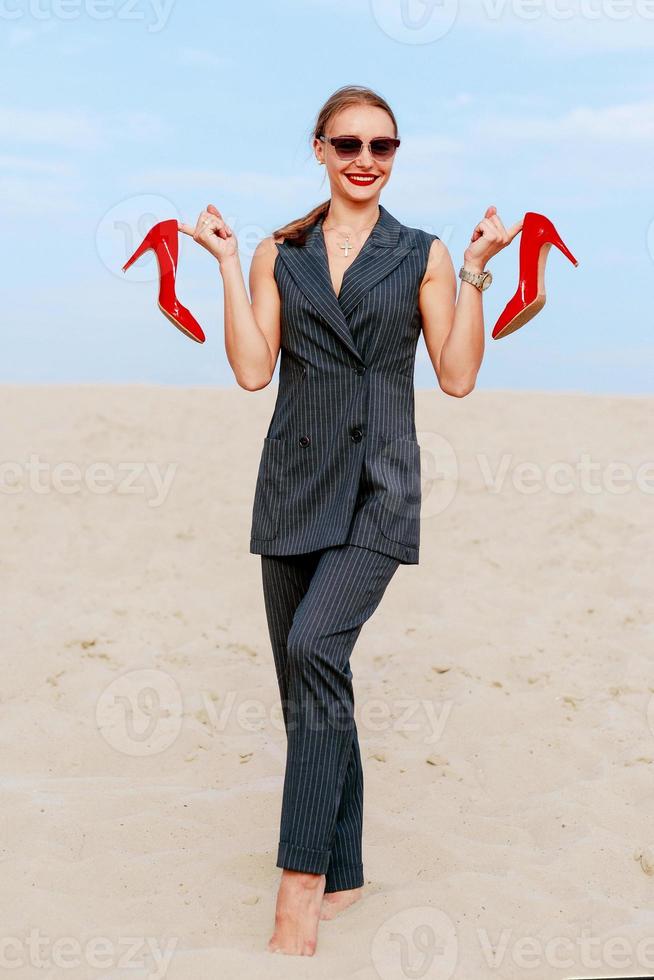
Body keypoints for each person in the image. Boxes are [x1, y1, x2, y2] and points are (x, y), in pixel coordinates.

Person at [179, 83, 522, 957]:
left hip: (379, 484)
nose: (366, 159)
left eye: (383, 145)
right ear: (321, 151)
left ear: (395, 155)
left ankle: (299, 887)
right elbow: (255, 371)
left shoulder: (423, 252)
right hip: (292, 482)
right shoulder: (280, 254)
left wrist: (480, 263)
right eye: (349, 144)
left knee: (316, 650)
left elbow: (455, 375)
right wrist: (224, 263)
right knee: (309, 691)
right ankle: (348, 866)